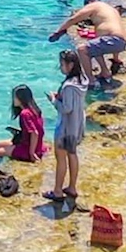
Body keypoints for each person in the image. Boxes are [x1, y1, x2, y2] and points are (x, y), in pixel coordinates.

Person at [48, 0, 126, 88]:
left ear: (89, 2)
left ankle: (90, 81)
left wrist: (58, 31)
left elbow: (73, 19)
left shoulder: (94, 5)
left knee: (82, 49)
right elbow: (107, 40)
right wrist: (116, 59)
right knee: (93, 47)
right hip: (121, 42)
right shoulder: (111, 9)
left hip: (113, 39)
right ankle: (105, 72)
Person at [44, 49, 87, 207]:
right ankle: (72, 188)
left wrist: (54, 100)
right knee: (72, 155)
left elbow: (66, 108)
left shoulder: (68, 86)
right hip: (77, 125)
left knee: (61, 158)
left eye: (62, 64)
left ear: (70, 65)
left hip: (65, 128)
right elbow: (74, 103)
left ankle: (57, 191)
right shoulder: (82, 80)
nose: (61, 67)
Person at [0, 85, 48, 162]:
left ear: (21, 98)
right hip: (38, 145)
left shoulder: (24, 114)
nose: (13, 100)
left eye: (15, 97)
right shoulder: (35, 109)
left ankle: (0, 166)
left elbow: (35, 133)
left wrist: (31, 153)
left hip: (27, 149)